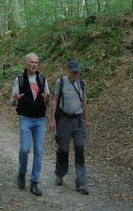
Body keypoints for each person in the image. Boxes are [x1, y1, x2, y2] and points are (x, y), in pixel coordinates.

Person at [11, 53, 50, 196]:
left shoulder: (42, 79)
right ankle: (21, 173)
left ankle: (35, 182)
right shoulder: (20, 80)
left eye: (36, 62)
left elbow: (47, 100)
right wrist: (15, 99)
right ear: (26, 64)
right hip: (25, 118)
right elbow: (12, 102)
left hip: (40, 120)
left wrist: (47, 100)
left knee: (39, 151)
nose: (34, 65)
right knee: (25, 149)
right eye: (32, 62)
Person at [49, 59, 89, 195]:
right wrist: (52, 119)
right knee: (63, 149)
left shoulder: (82, 84)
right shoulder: (61, 82)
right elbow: (54, 101)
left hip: (78, 120)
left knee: (79, 147)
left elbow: (84, 102)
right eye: (73, 72)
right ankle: (60, 174)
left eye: (78, 72)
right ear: (68, 70)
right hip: (64, 120)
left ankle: (81, 183)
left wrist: (85, 120)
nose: (76, 74)